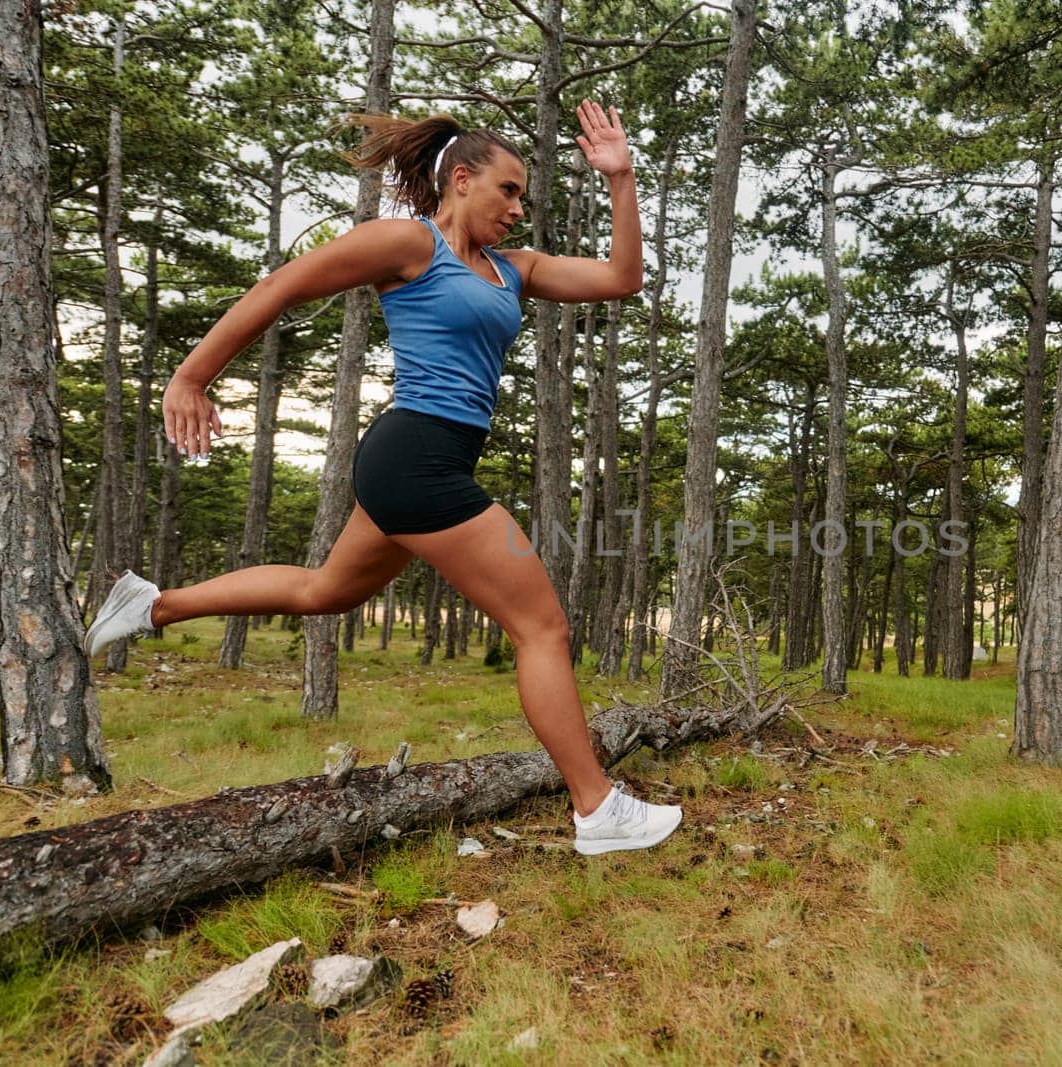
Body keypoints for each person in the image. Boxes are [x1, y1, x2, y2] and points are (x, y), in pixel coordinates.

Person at [84, 101, 680, 857]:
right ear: (460, 180)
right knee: (542, 625)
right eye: (508, 190)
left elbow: (622, 279)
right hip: (415, 455)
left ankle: (153, 604)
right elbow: (284, 286)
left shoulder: (512, 270)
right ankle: (597, 807)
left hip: (429, 461)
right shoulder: (409, 243)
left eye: (523, 196)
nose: (517, 208)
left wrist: (621, 179)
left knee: (323, 591)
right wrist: (191, 376)